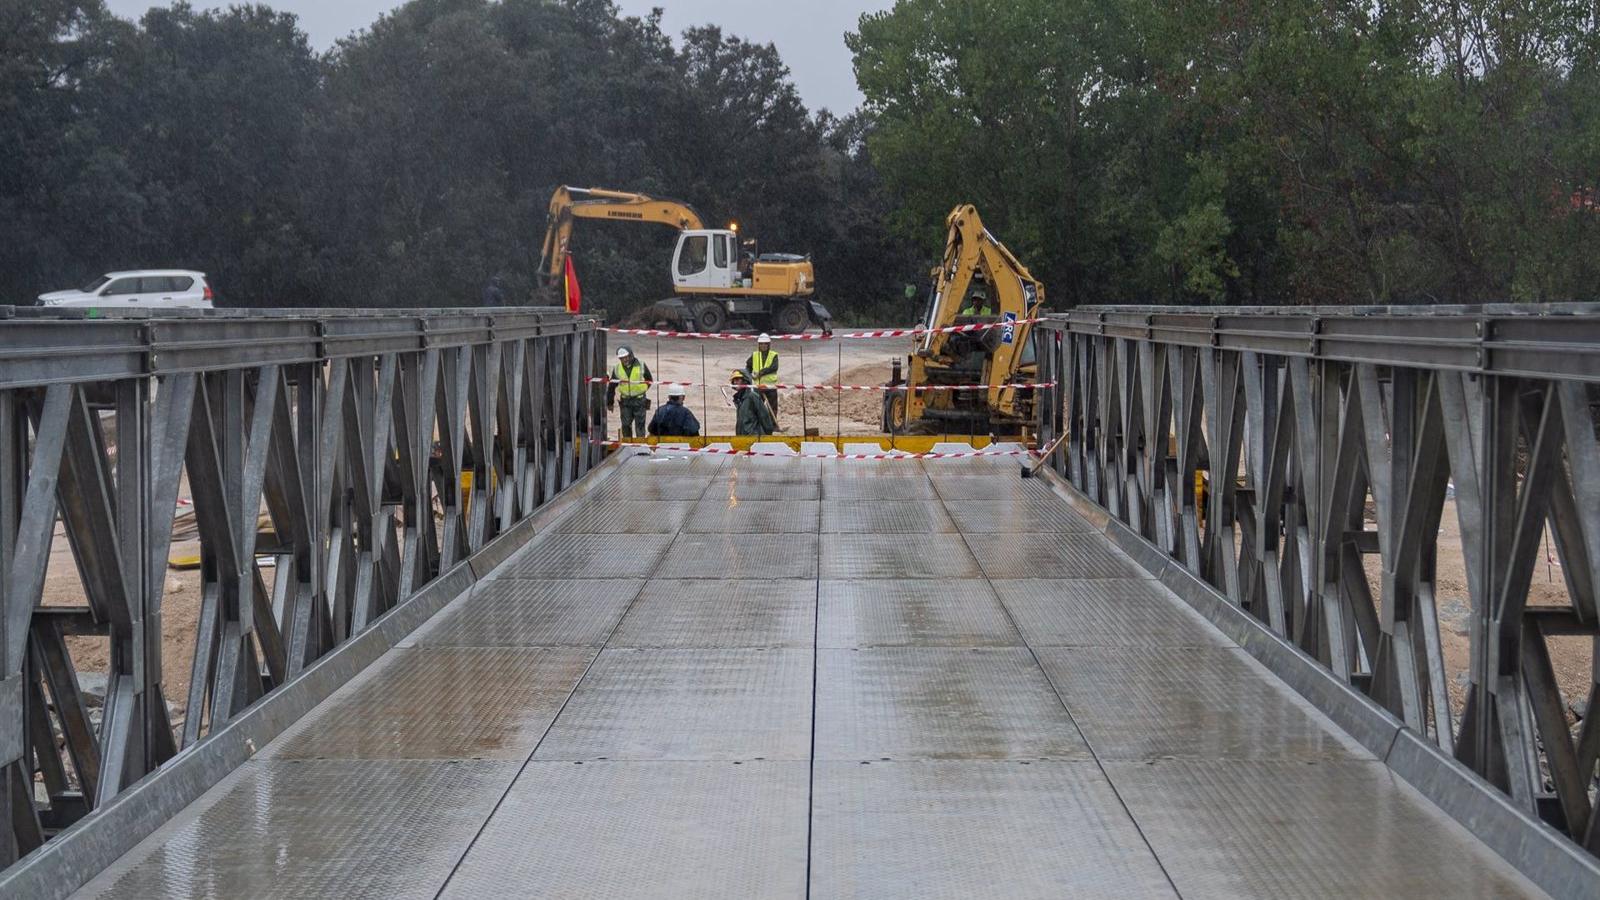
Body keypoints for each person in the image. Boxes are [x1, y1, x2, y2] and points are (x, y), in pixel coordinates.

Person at [607, 347, 653, 439]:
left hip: (639, 400)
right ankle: (627, 446)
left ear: (631, 355)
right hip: (625, 401)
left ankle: (641, 448)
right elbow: (612, 386)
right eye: (622, 358)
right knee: (626, 425)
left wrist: (641, 390)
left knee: (640, 426)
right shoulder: (617, 368)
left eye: (626, 357)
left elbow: (649, 380)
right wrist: (610, 403)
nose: (624, 360)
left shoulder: (641, 365)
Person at [745, 333, 780, 422]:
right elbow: (748, 366)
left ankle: (773, 425)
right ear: (758, 345)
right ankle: (756, 424)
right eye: (761, 344)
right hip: (758, 387)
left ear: (769, 344)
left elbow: (774, 367)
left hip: (770, 386)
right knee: (756, 407)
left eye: (765, 344)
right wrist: (749, 375)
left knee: (772, 407)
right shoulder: (755, 355)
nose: (763, 346)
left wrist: (760, 373)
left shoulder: (774, 355)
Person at [731, 369, 776, 436]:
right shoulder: (739, 399)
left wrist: (767, 436)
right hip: (743, 439)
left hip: (754, 438)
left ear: (745, 380)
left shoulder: (752, 396)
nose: (735, 382)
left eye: (737, 379)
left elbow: (764, 417)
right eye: (733, 380)